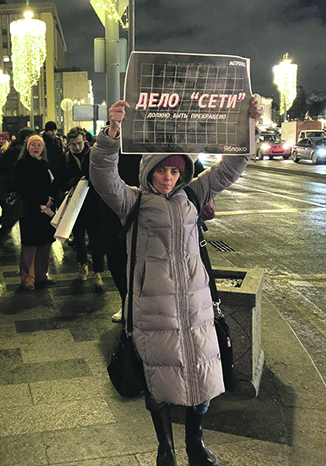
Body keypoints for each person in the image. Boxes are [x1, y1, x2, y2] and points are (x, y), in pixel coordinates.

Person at [90, 99, 261, 466]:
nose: (168, 176)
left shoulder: (193, 195)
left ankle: (195, 443)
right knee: (157, 383)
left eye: (174, 170)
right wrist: (111, 133)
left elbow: (231, 167)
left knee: (202, 380)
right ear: (149, 170)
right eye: (161, 170)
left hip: (196, 307)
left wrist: (247, 128)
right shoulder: (132, 202)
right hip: (153, 308)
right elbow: (102, 176)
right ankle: (165, 447)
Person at [59, 126, 106, 290]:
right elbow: (60, 179)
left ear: (85, 140)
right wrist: (70, 181)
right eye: (73, 144)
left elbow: (103, 176)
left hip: (93, 203)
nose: (77, 147)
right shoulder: (65, 158)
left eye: (79, 143)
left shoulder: (93, 155)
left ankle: (98, 272)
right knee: (78, 238)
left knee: (96, 239)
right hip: (75, 205)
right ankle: (83, 266)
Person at [13, 135, 58, 290]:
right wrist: (43, 199)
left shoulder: (45, 164)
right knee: (30, 245)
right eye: (33, 144)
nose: (36, 147)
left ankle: (41, 275)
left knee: (45, 244)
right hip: (30, 210)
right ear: (27, 147)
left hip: (46, 212)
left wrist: (51, 199)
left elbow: (53, 183)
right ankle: (27, 278)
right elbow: (24, 187)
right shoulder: (22, 164)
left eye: (39, 144)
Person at [0, 127, 32, 247]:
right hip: (13, 187)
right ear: (26, 138)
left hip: (10, 186)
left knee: (15, 213)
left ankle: (3, 236)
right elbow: (15, 170)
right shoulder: (19, 150)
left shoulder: (15, 148)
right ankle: (1, 237)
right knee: (14, 214)